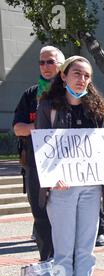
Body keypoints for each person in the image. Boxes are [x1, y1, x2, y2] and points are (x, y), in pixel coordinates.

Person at [35, 56, 104, 276]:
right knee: (63, 250)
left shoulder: (98, 111)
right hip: (62, 189)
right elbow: (41, 147)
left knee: (86, 248)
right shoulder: (48, 106)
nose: (82, 79)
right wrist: (52, 177)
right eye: (77, 74)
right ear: (63, 75)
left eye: (87, 76)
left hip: (91, 188)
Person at [12, 46, 65, 261]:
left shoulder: (72, 92)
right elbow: (18, 128)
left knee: (66, 216)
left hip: (67, 164)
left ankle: (68, 265)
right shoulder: (30, 94)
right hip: (35, 164)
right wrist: (40, 125)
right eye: (41, 62)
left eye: (50, 62)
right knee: (41, 215)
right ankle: (47, 261)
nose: (45, 67)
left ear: (61, 65)